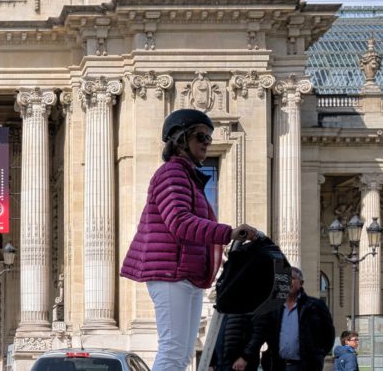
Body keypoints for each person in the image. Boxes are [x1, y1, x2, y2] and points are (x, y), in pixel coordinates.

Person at [120, 109, 257, 371]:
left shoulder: (189, 179)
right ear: (179, 139)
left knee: (182, 355)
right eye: (200, 136)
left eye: (209, 137)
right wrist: (227, 233)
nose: (207, 142)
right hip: (171, 272)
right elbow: (180, 222)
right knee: (173, 350)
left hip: (186, 274)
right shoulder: (173, 174)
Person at [241, 267, 335, 371]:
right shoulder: (272, 308)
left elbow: (328, 335)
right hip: (277, 365)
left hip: (304, 366)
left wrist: (318, 355)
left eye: (292, 278)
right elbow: (260, 333)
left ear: (301, 282)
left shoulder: (315, 306)